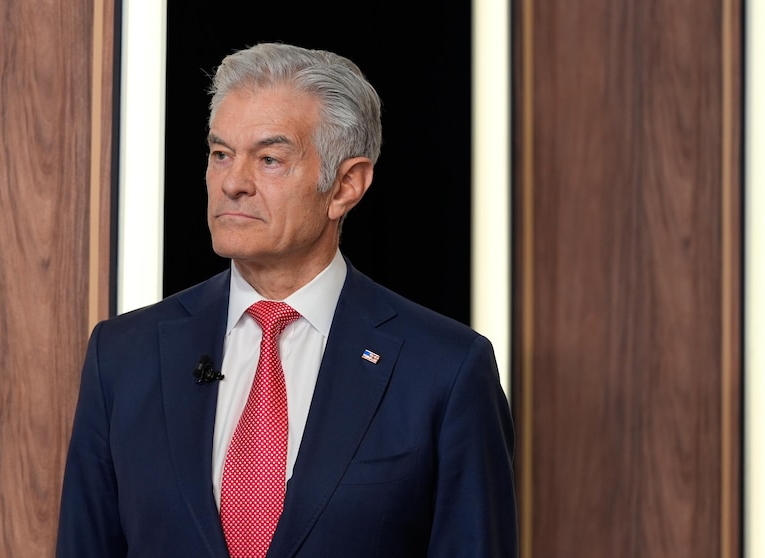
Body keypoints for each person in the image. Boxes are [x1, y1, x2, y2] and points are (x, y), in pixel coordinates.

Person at [56, 42, 518, 557]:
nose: (233, 183)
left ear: (345, 186)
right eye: (220, 154)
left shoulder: (445, 369)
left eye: (269, 159)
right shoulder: (122, 356)